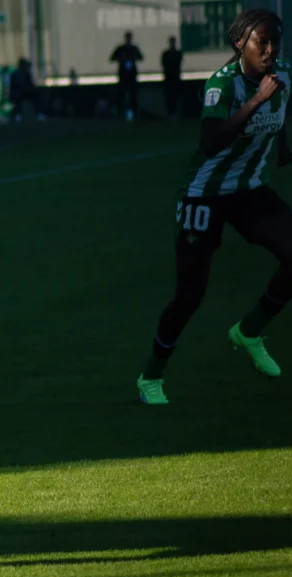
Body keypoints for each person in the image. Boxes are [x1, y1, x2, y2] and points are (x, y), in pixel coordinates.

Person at [137, 9, 292, 405]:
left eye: (277, 40)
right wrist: (258, 100)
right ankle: (151, 376)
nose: (271, 49)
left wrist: (285, 146)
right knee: (190, 295)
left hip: (250, 190)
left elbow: (283, 110)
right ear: (241, 43)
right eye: (263, 42)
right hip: (203, 194)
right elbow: (210, 141)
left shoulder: (283, 77)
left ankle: (250, 330)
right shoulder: (221, 86)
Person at [111, 32, 143, 121]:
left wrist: (133, 58)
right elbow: (112, 58)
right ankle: (120, 113)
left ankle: (134, 114)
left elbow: (141, 57)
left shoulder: (134, 48)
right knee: (121, 94)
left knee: (133, 95)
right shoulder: (120, 49)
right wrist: (121, 58)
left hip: (132, 75)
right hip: (123, 75)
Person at [162, 36, 184, 119]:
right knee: (169, 97)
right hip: (169, 78)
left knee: (175, 96)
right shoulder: (166, 53)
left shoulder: (177, 53)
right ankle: (170, 112)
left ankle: (174, 113)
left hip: (175, 78)